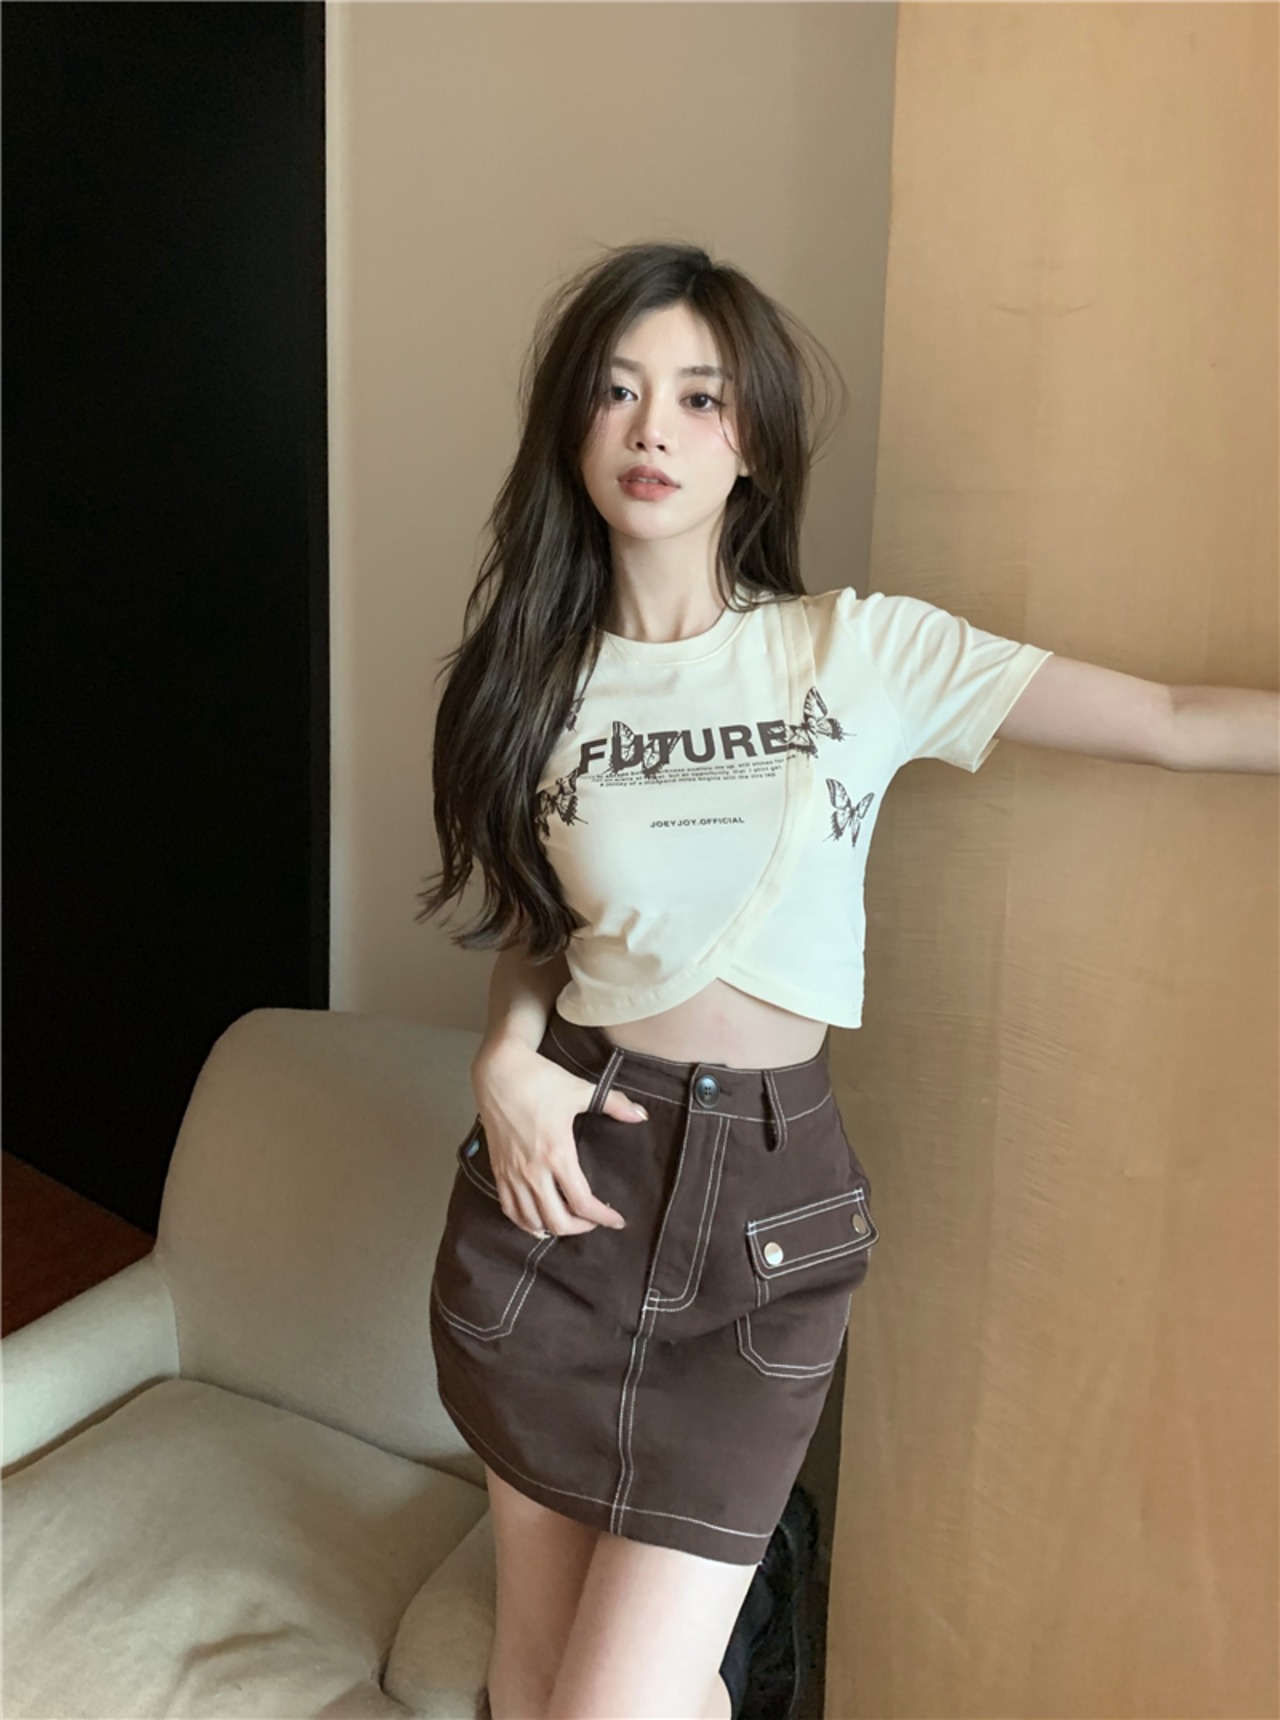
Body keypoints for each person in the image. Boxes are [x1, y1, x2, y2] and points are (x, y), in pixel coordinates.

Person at [415, 241, 1278, 1720]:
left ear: (751, 441)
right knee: (536, 1676)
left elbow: (1176, 719)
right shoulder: (528, 682)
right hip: (569, 1195)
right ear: (573, 424)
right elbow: (540, 930)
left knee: (616, 1703)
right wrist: (504, 1060)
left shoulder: (856, 651)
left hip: (767, 1214)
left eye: (699, 397)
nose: (653, 428)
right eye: (618, 392)